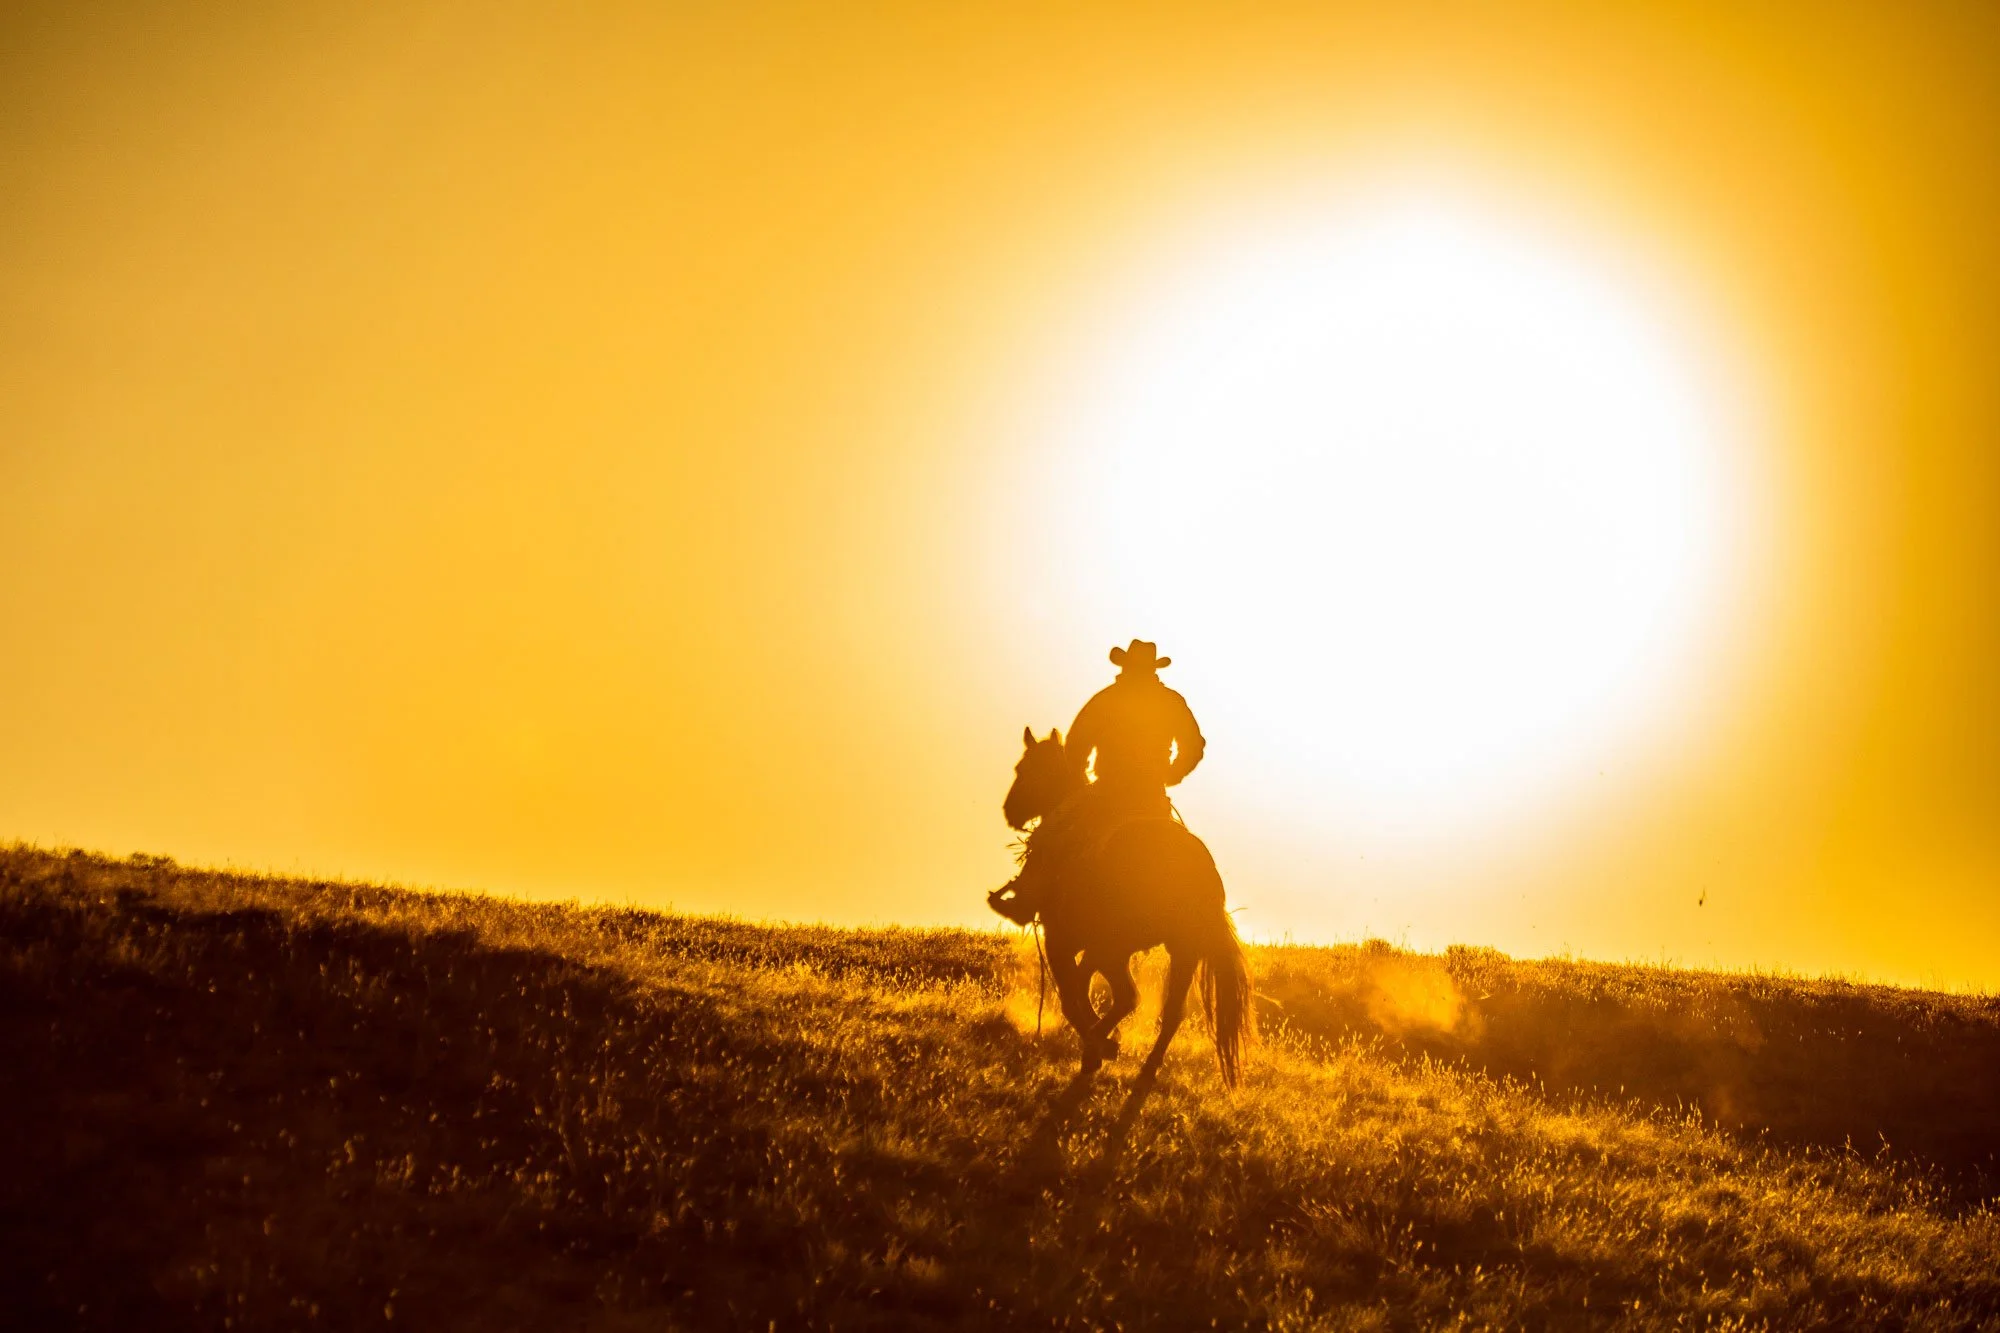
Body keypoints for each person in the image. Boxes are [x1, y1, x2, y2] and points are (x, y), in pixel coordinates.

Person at [992, 640, 1205, 925]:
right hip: (1153, 795)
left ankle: (1025, 904)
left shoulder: (1107, 699)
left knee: (1047, 835)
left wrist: (1081, 774)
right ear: (1152, 669)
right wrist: (1171, 775)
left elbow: (1076, 746)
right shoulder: (1171, 701)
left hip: (1108, 794)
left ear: (1125, 667)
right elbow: (1194, 746)